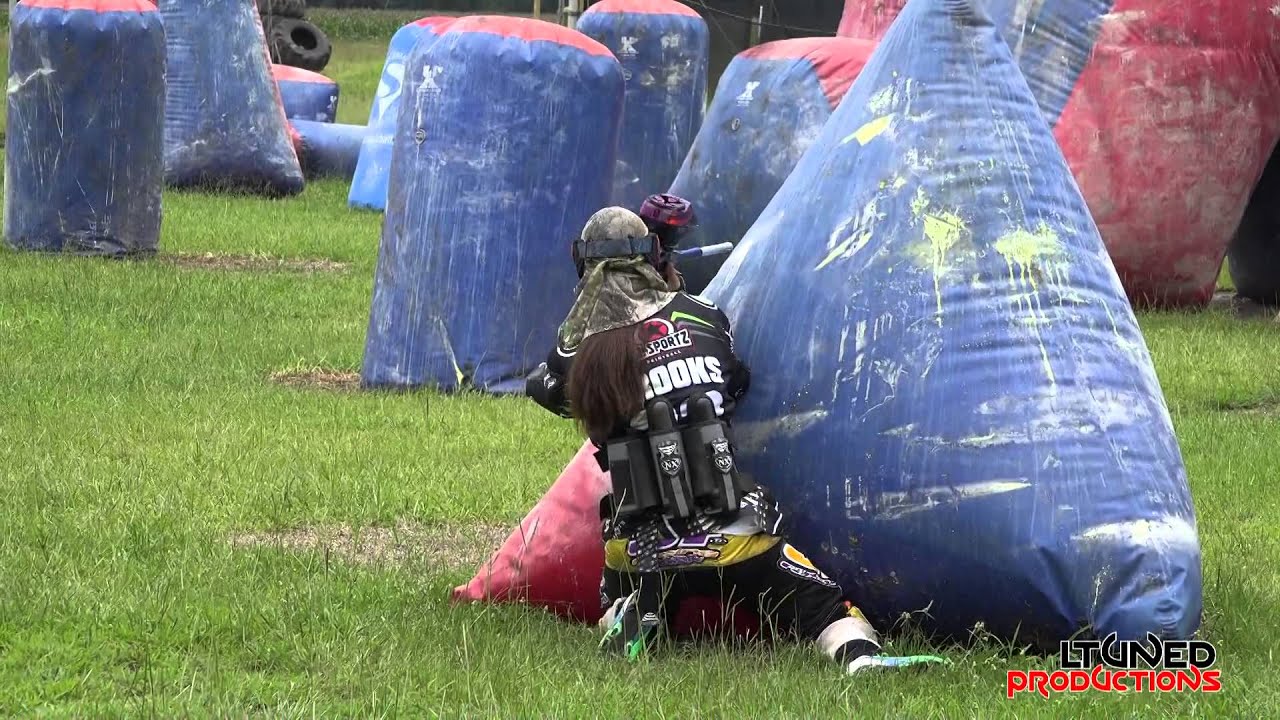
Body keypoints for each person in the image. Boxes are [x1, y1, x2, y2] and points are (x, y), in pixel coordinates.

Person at [525, 201, 947, 674]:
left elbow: (545, 389)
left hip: (639, 551)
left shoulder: (579, 347)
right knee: (826, 609)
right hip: (733, 536)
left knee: (623, 589)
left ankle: (632, 614)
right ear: (653, 256)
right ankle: (860, 658)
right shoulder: (705, 315)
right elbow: (736, 382)